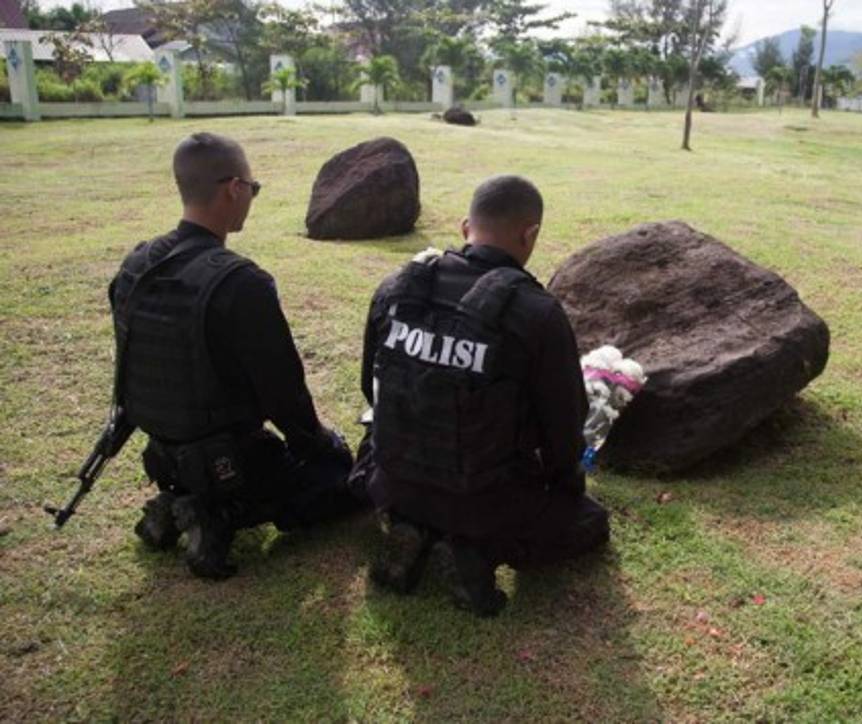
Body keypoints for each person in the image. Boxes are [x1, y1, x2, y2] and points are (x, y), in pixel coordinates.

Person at [113, 132, 363, 580]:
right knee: (342, 480)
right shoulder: (240, 283)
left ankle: (179, 501)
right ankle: (219, 515)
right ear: (234, 188)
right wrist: (321, 447)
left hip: (160, 445)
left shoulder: (138, 263)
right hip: (228, 455)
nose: (251, 196)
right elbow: (284, 395)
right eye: (253, 188)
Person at [359, 175, 609, 617]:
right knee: (590, 521)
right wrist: (567, 487)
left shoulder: (397, 287)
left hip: (393, 480)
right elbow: (563, 427)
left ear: (464, 228)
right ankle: (469, 549)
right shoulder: (537, 313)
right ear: (529, 234)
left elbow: (370, 390)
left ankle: (412, 526)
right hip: (484, 498)